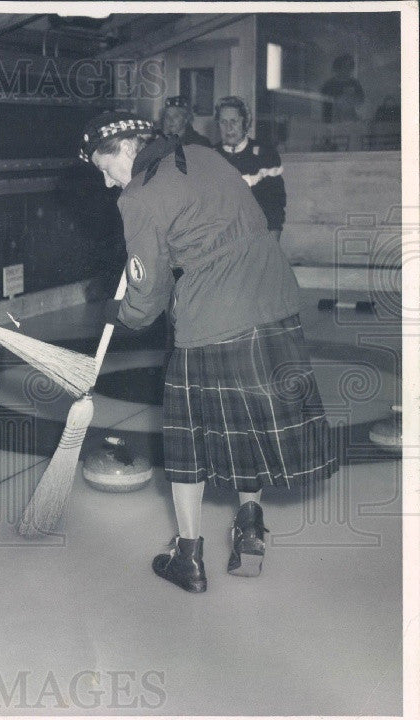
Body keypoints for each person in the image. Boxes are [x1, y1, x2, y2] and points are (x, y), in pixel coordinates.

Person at [79, 111, 337, 594]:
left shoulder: (139, 195)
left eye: (102, 165)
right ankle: (250, 525)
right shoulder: (204, 156)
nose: (105, 179)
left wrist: (122, 314)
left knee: (188, 443)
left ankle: (188, 556)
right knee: (251, 427)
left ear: (126, 149)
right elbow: (244, 220)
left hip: (214, 318)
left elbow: (148, 293)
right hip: (276, 299)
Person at [213, 96, 286, 239]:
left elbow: (275, 205)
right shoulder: (210, 157)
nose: (229, 128)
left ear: (245, 123)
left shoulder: (265, 155)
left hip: (255, 237)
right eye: (223, 122)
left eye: (234, 121)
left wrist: (272, 243)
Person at [321, 54, 365, 123]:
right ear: (337, 68)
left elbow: (361, 101)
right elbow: (323, 101)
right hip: (332, 120)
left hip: (351, 120)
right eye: (344, 67)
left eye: (350, 67)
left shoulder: (354, 83)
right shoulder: (329, 84)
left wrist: (353, 98)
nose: (347, 70)